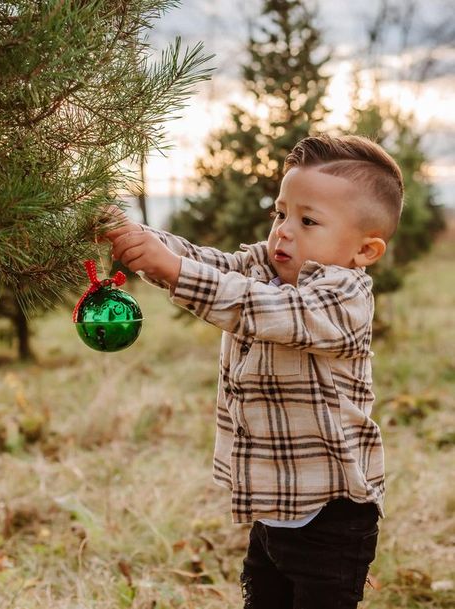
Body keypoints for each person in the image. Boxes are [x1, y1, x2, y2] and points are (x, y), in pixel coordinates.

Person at [103, 135, 404, 609]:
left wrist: (175, 271)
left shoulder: (344, 297)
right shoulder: (266, 267)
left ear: (365, 251)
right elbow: (209, 263)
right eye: (280, 213)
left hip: (332, 517)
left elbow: (255, 307)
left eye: (308, 221)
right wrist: (140, 238)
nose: (284, 231)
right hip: (274, 507)